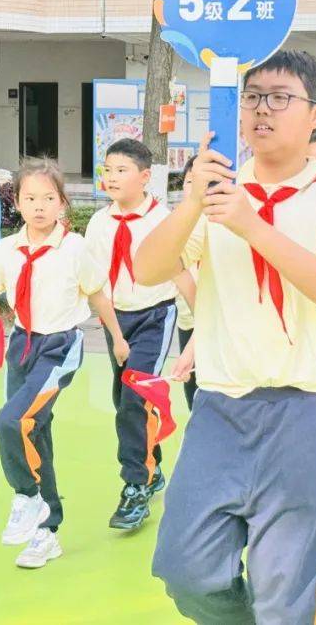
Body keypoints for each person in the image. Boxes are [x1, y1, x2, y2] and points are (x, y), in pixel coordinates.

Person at [137, 50, 316, 624]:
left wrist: (250, 223)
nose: (262, 110)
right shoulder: (218, 189)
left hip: (306, 410)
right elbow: (147, 269)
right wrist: (194, 199)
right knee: (184, 568)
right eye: (253, 97)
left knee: (282, 587)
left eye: (279, 97)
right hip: (221, 408)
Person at [0, 157, 125, 569]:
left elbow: (98, 293)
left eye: (48, 198)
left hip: (60, 347)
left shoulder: (74, 247)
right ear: (16, 202)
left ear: (62, 203)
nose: (39, 206)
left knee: (10, 422)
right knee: (36, 433)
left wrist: (118, 339)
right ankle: (47, 531)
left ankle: (27, 497)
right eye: (30, 198)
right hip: (23, 346)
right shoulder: (7, 249)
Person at [84, 138, 194, 532]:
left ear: (145, 177)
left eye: (121, 170)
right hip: (117, 321)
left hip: (154, 317)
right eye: (107, 170)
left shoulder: (163, 221)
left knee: (136, 397)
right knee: (124, 401)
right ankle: (153, 463)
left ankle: (135, 486)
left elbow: (183, 273)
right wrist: (113, 333)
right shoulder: (99, 223)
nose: (111, 177)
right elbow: (95, 283)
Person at [173, 156, 199, 410]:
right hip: (189, 320)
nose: (194, 187)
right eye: (190, 181)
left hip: (222, 325)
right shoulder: (177, 224)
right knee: (193, 396)